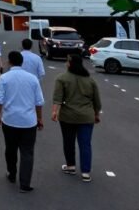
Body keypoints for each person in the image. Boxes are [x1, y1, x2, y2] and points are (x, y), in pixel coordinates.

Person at [0, 51, 45, 193]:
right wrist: (40, 118)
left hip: (10, 120)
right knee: (27, 152)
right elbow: (39, 102)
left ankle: (11, 172)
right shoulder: (33, 79)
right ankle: (25, 183)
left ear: (10, 62)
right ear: (22, 62)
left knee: (10, 149)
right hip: (29, 121)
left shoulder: (4, 78)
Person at [52, 53, 102, 183]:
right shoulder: (90, 80)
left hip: (68, 116)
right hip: (86, 116)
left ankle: (71, 166)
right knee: (85, 144)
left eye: (67, 61)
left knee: (68, 142)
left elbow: (57, 98)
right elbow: (97, 101)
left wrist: (54, 112)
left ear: (70, 63)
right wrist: (96, 114)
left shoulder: (62, 78)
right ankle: (86, 172)